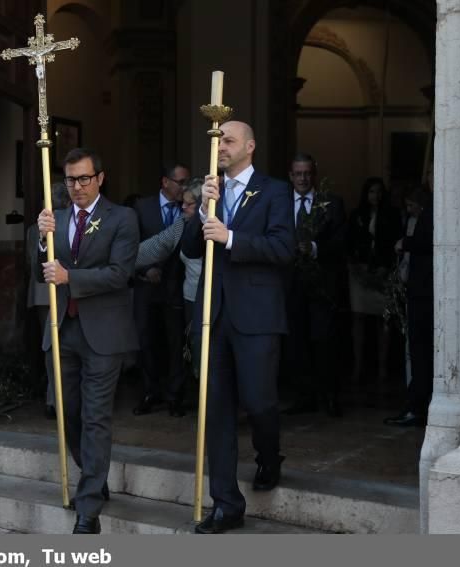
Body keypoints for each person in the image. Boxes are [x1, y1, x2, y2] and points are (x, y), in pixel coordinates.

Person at [182, 121, 295, 534]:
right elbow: (191, 248)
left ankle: (269, 455)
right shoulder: (210, 191)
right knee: (216, 412)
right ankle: (226, 503)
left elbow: (284, 249)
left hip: (257, 317)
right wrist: (200, 214)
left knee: (260, 401)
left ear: (250, 145)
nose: (221, 147)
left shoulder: (275, 191)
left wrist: (231, 238)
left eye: (228, 140)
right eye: (216, 141)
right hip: (213, 317)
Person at [36, 148, 139, 534]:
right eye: (69, 180)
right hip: (62, 329)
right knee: (69, 413)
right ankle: (94, 474)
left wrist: (71, 279)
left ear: (100, 178)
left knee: (95, 417)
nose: (76, 187)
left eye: (83, 179)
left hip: (103, 333)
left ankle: (89, 508)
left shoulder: (122, 218)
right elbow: (39, 271)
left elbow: (120, 273)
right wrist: (41, 238)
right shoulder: (56, 217)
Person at [282, 154, 347, 417]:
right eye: (298, 173)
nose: (303, 178)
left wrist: (316, 248)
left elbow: (343, 241)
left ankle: (329, 396)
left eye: (307, 173)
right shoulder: (280, 204)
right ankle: (303, 397)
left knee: (324, 342)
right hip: (291, 285)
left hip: (322, 285)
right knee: (297, 343)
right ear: (290, 176)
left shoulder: (331, 203)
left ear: (314, 174)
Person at [132, 163, 191, 417]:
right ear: (165, 182)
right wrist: (145, 271)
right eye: (181, 182)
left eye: (187, 182)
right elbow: (130, 246)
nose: (185, 188)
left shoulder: (190, 209)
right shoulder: (141, 208)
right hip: (146, 288)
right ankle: (150, 392)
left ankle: (174, 396)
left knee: (176, 342)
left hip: (176, 287)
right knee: (146, 341)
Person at [346, 178, 402, 404]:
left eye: (379, 192)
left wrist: (384, 269)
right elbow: (349, 242)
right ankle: (358, 367)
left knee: (384, 321)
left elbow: (394, 244)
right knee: (358, 319)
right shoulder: (356, 215)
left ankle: (382, 369)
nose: (375, 196)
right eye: (371, 192)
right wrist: (357, 267)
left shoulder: (392, 216)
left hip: (383, 273)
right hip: (359, 273)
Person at [384, 187, 433, 426]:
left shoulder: (429, 216)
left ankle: (418, 405)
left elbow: (429, 241)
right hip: (417, 291)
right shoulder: (417, 219)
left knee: (420, 350)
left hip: (424, 294)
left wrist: (406, 243)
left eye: (412, 204)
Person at [26, 182, 71, 419]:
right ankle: (53, 399)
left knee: (57, 347)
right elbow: (33, 262)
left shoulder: (71, 224)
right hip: (46, 294)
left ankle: (55, 399)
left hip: (61, 293)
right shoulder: (37, 229)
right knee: (51, 346)